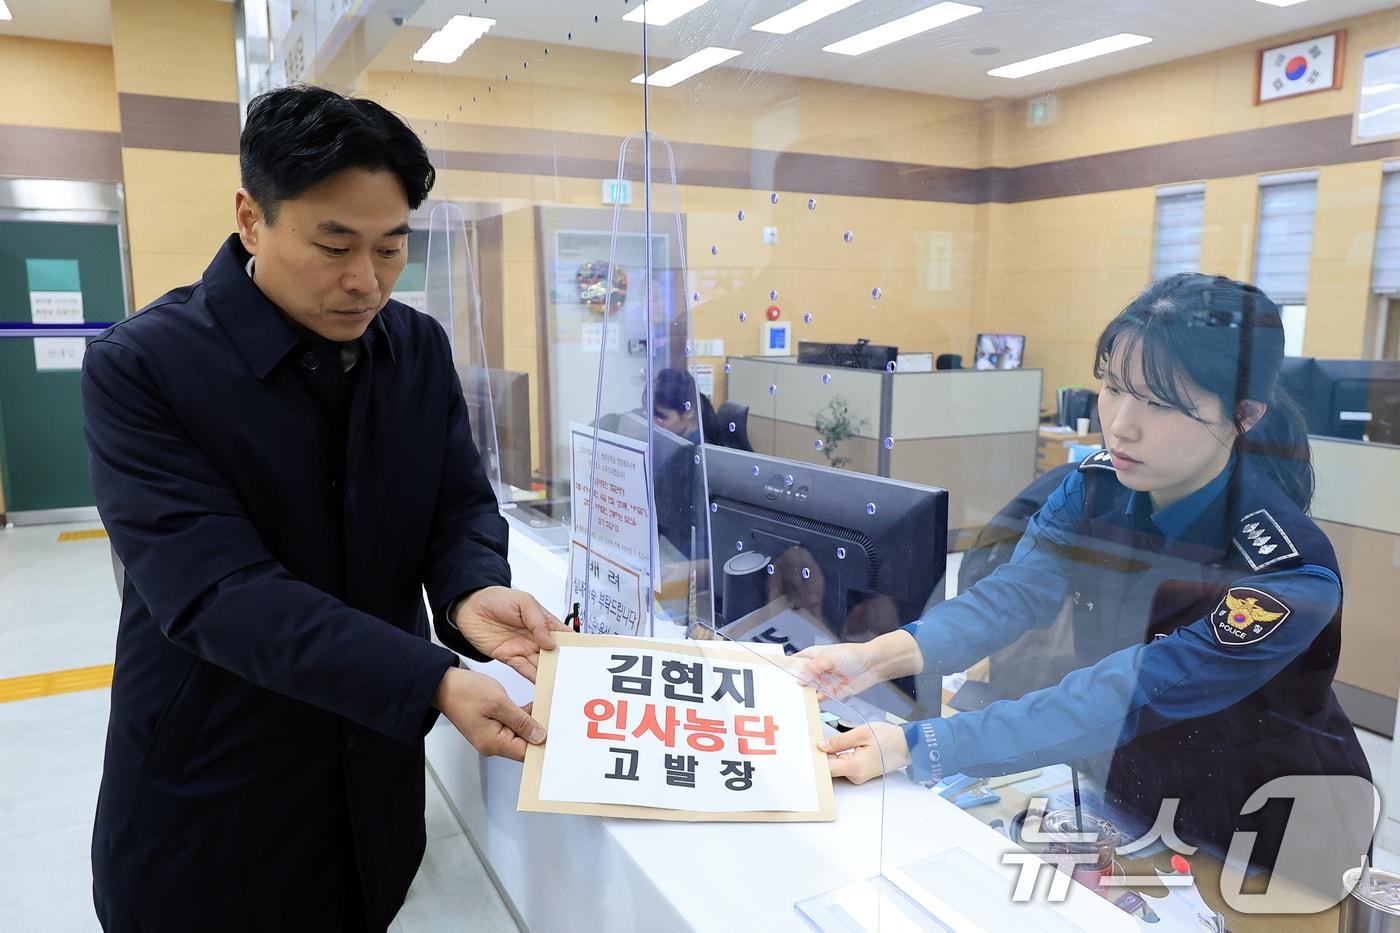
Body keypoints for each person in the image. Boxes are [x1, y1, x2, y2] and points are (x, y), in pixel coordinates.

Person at [82, 85, 565, 932]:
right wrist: (428, 678)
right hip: (215, 801)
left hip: (370, 796)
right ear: (251, 217)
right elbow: (218, 593)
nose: (365, 281)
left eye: (390, 248)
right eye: (334, 243)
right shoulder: (145, 368)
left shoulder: (415, 349)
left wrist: (465, 590)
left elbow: (456, 504)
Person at [801, 274, 1372, 870]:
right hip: (1135, 798)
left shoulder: (1287, 572)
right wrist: (875, 657)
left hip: (1263, 835)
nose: (1122, 423)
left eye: (1161, 403)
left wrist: (916, 745)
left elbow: (1123, 692)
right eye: (1114, 388)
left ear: (1244, 415)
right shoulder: (1096, 488)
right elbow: (1011, 597)